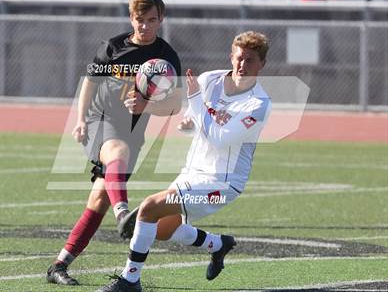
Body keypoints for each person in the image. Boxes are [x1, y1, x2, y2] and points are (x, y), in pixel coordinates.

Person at [97, 30, 271, 292]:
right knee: (163, 230)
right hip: (193, 171)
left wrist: (194, 101)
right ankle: (218, 244)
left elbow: (221, 138)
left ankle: (129, 280)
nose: (242, 65)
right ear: (231, 56)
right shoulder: (210, 80)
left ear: (262, 65)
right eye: (239, 58)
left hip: (221, 186)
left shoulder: (258, 103)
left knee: (148, 208)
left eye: (250, 60)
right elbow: (196, 120)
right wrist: (188, 122)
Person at [46, 0, 182, 286]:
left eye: (151, 20)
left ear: (161, 20)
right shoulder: (112, 47)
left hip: (132, 131)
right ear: (131, 18)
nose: (144, 26)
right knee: (116, 150)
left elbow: (175, 105)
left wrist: (148, 106)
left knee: (97, 201)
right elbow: (89, 83)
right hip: (99, 120)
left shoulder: (167, 58)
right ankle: (124, 212)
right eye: (139, 20)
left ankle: (59, 265)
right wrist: (80, 118)